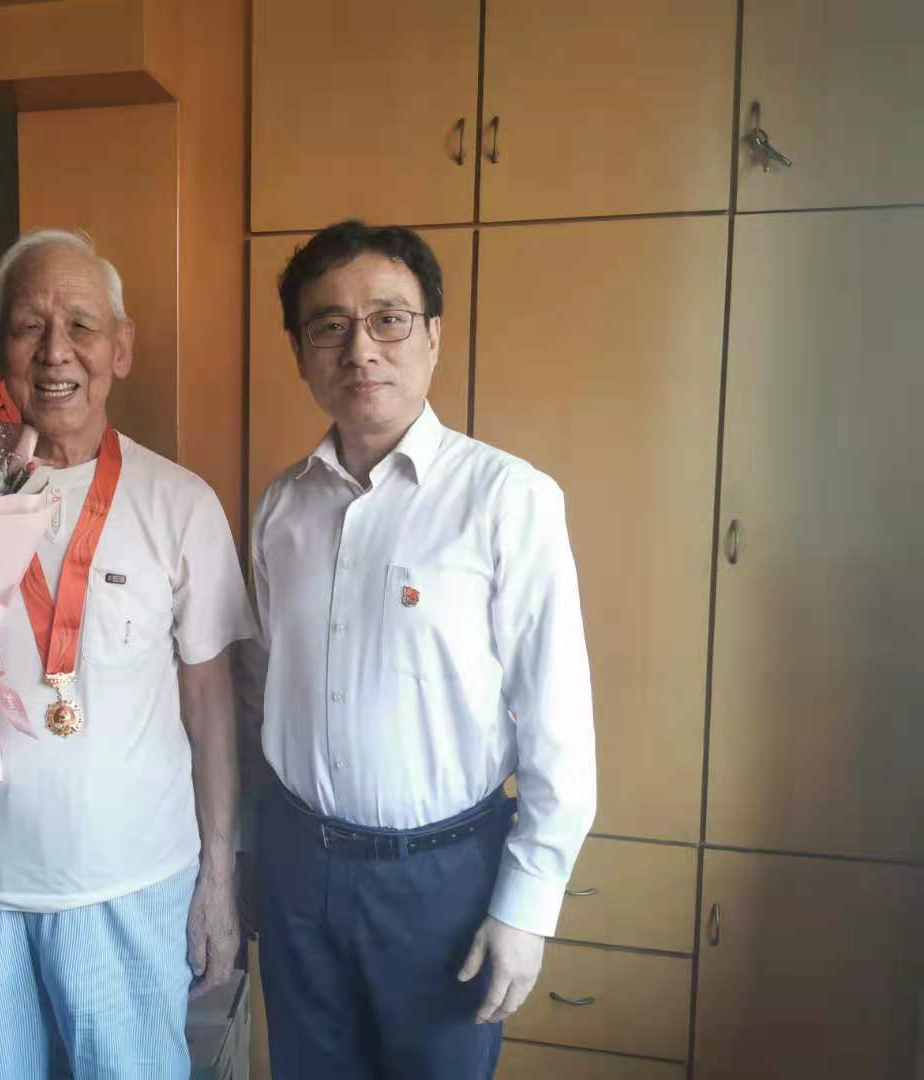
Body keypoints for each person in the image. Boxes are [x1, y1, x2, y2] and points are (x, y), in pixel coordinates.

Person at [0, 229, 254, 1080]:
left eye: (82, 325)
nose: (56, 350)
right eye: (30, 325)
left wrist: (220, 878)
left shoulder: (180, 503)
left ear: (121, 348)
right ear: (0, 353)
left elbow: (211, 708)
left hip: (134, 888)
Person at [241, 220, 596, 1078]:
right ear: (300, 352)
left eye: (388, 319)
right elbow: (260, 692)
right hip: (297, 867)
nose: (360, 349)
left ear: (433, 334)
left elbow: (558, 724)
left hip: (442, 883)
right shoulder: (281, 509)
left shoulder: (507, 499)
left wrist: (526, 907)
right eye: (329, 326)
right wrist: (251, 856)